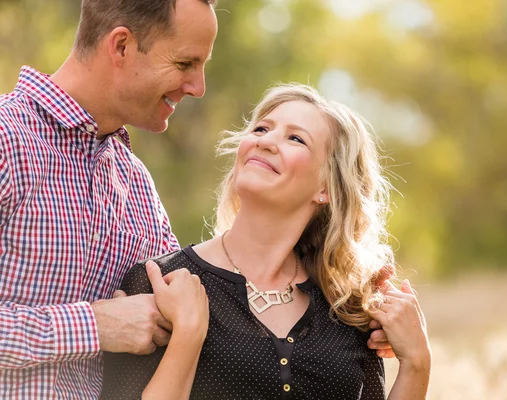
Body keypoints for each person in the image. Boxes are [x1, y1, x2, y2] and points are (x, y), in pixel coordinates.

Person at [101, 84, 431, 399]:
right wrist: (188, 334)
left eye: (295, 139)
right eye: (261, 129)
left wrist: (417, 362)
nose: (266, 141)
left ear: (325, 188)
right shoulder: (161, 282)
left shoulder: (347, 307)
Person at [0, 0, 218, 397]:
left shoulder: (136, 184)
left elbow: (198, 310)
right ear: (121, 46)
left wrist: (356, 315)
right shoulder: (5, 139)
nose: (198, 88)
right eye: (186, 64)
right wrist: (96, 326)